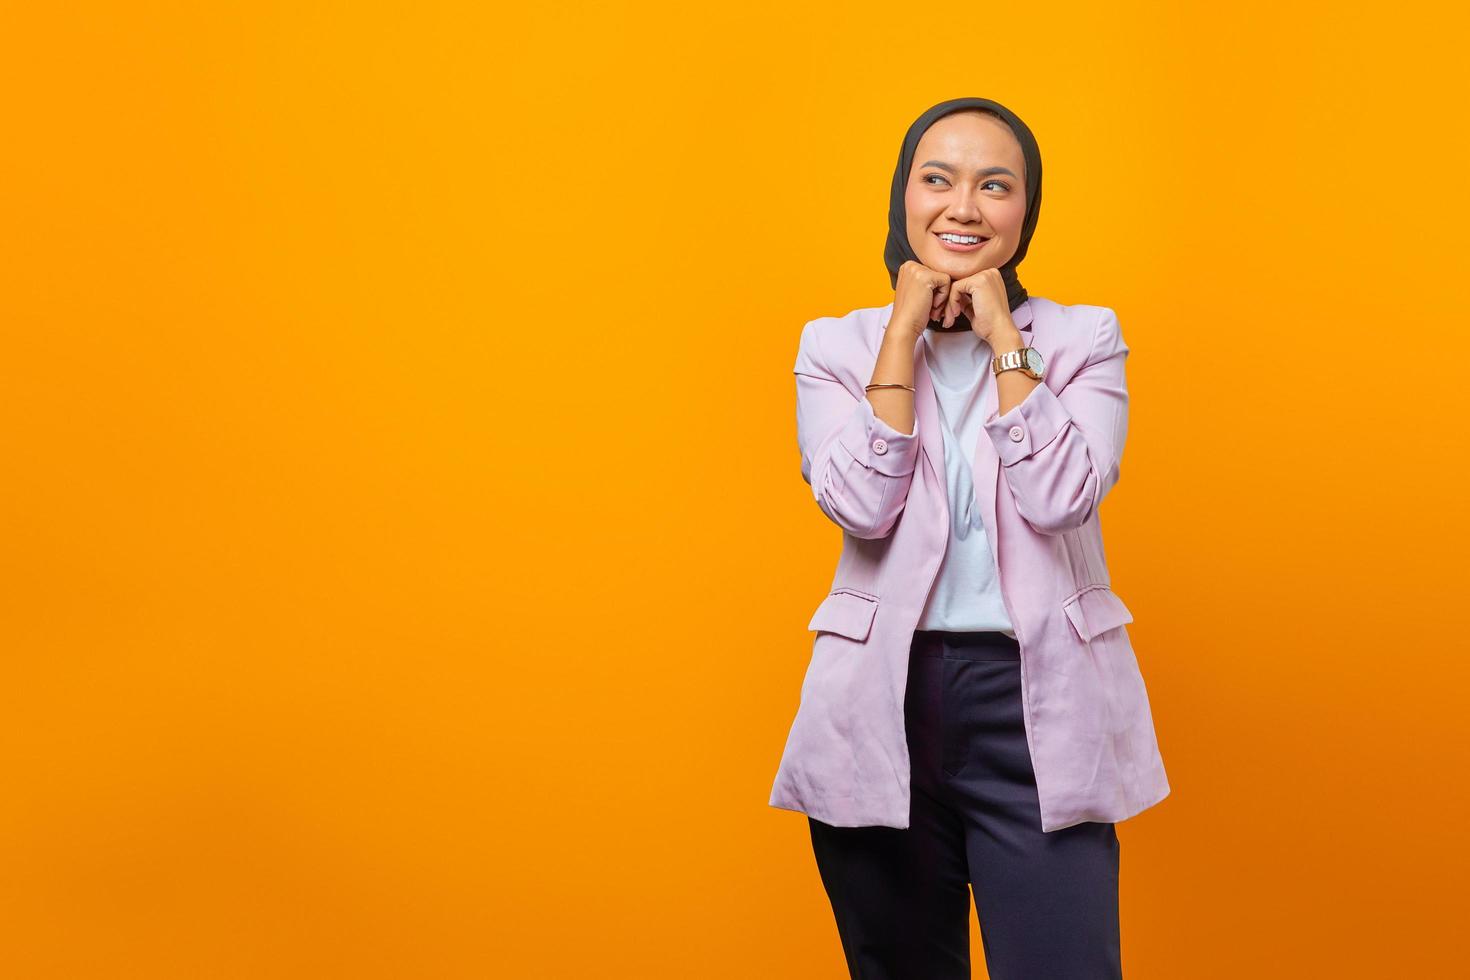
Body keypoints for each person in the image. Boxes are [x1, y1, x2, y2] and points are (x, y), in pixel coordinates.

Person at [768, 97, 1171, 979]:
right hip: (880, 703)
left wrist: (1001, 337)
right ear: (902, 196)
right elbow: (861, 506)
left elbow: (1063, 494)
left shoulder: (1081, 338)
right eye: (938, 179)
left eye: (995, 185)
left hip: (1036, 702)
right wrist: (902, 334)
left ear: (1024, 213)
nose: (964, 206)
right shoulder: (836, 347)